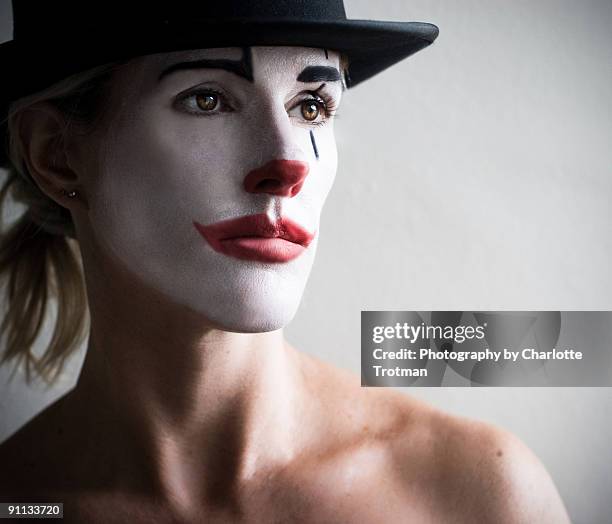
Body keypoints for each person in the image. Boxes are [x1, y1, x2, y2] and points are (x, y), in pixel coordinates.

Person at [0, 1, 571, 522]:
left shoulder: (478, 493)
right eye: (208, 98)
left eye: (313, 105)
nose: (286, 163)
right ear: (56, 155)